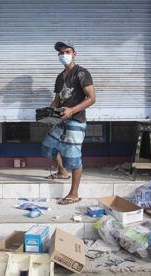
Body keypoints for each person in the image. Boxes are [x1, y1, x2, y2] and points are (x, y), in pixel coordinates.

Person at [42, 41, 96, 205]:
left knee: (73, 158)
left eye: (67, 51)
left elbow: (92, 98)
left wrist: (72, 110)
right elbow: (58, 98)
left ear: (74, 54)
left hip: (75, 121)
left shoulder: (81, 73)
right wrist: (50, 113)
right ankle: (62, 172)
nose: (63, 55)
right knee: (49, 146)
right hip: (60, 119)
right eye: (60, 53)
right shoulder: (60, 77)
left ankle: (74, 193)